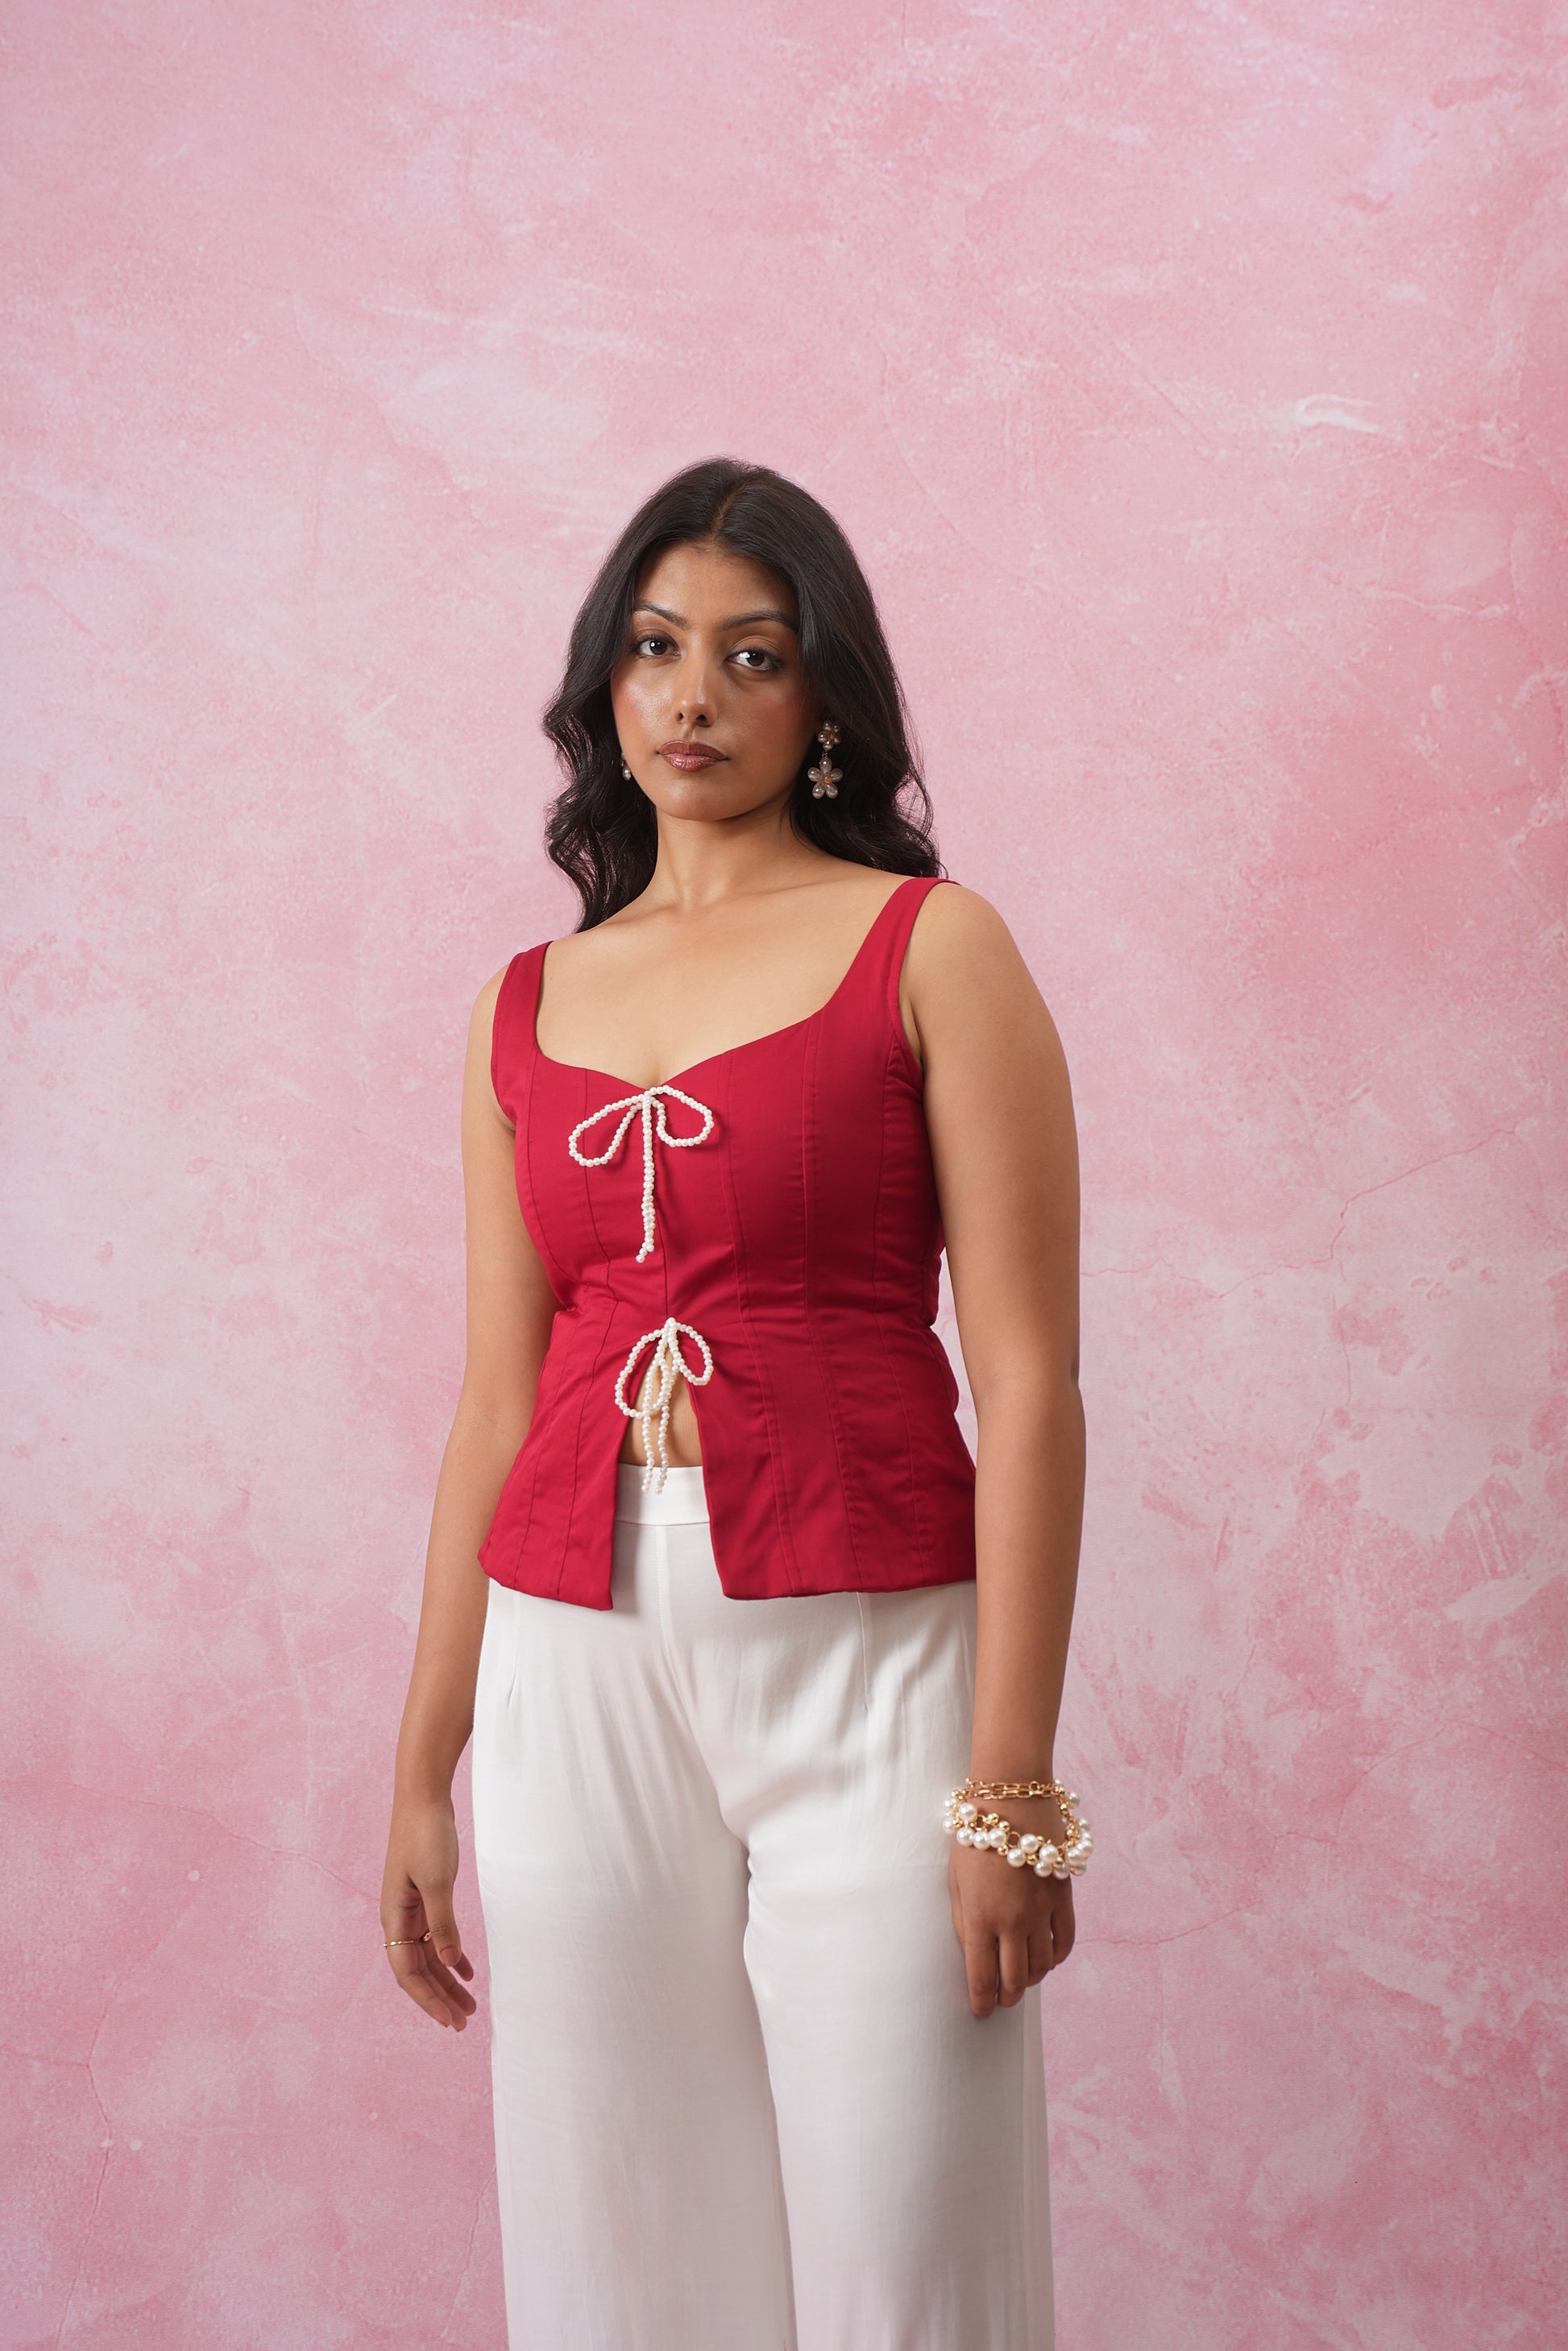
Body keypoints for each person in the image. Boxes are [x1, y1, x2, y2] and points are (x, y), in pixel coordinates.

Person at [379, 458, 1087, 2351]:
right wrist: (423, 1763)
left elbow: (1029, 1383)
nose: (691, 695)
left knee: (906, 2254)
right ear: (604, 686)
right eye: (654, 647)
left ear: (825, 696)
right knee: (620, 2253)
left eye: (751, 655)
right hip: (571, 1661)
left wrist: (1013, 1788)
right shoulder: (519, 1003)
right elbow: (496, 1398)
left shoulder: (934, 948)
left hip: (873, 1652)